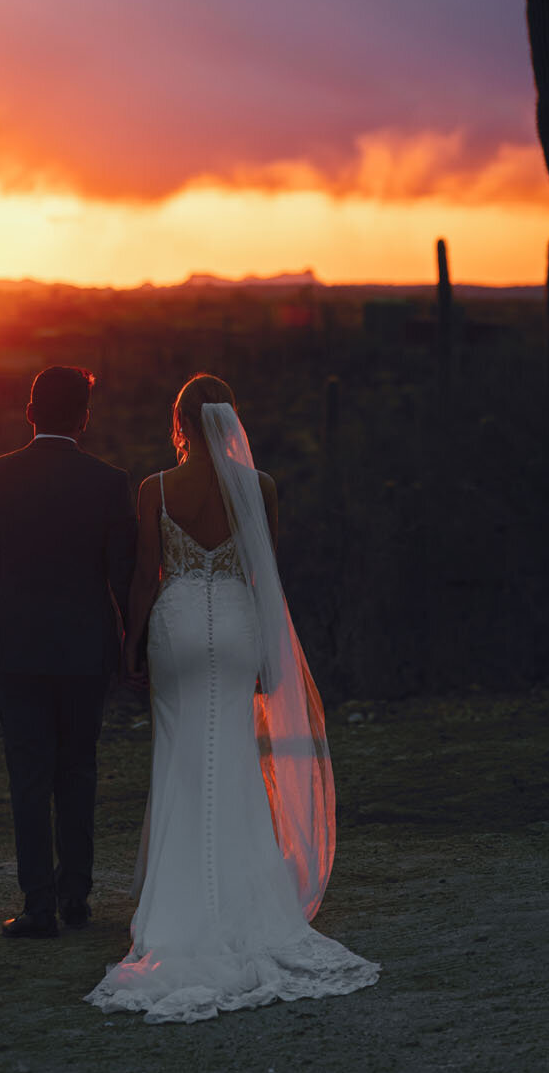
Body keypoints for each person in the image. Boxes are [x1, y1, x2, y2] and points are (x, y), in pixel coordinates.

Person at [85, 372, 378, 1022]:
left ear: (180, 423)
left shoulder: (155, 489)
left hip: (179, 625)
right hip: (239, 624)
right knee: (238, 759)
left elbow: (142, 576)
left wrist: (132, 644)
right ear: (230, 419)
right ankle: (247, 900)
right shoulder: (260, 488)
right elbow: (261, 573)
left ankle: (181, 906)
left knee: (182, 762)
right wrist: (273, 654)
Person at [0, 365, 136, 939]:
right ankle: (76, 896)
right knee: (78, 768)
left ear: (30, 412)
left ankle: (38, 905)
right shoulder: (111, 483)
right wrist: (129, 645)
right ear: (85, 418)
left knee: (28, 775)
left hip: (15, 648)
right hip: (86, 648)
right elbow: (124, 576)